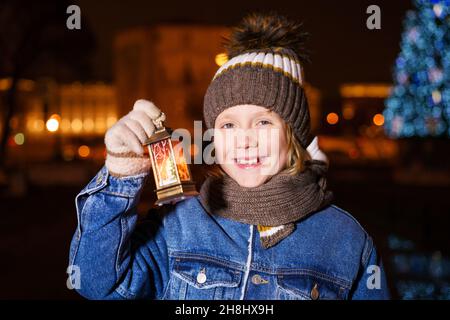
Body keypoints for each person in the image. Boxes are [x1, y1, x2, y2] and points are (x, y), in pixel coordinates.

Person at [68, 12, 390, 300]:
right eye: (229, 125)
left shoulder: (348, 242)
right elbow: (98, 283)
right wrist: (120, 177)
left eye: (263, 121)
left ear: (293, 134)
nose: (244, 141)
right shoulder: (178, 224)